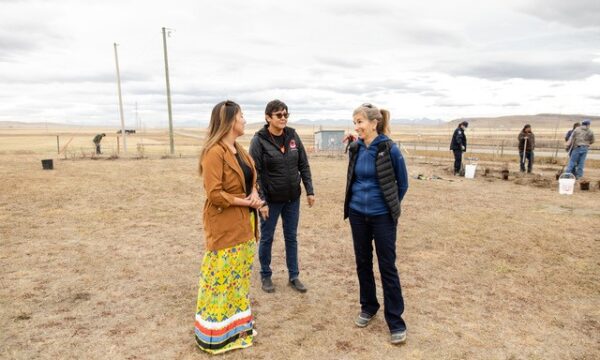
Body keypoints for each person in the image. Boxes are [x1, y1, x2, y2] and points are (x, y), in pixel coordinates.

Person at [195, 100, 264, 354]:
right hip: (224, 226)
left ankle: (238, 329)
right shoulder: (214, 152)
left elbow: (250, 179)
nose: (245, 120)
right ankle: (216, 336)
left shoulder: (239, 149)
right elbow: (215, 194)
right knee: (220, 280)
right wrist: (245, 201)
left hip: (245, 225)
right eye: (242, 116)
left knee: (239, 280)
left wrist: (254, 196)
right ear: (229, 121)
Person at [343, 103, 409, 345]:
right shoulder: (355, 148)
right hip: (358, 214)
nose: (357, 127)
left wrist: (389, 206)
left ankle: (395, 321)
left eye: (359, 122)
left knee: (387, 267)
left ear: (374, 123)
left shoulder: (390, 149)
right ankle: (368, 306)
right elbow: (353, 178)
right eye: (354, 123)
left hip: (383, 217)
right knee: (362, 262)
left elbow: (402, 184)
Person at [249, 99, 315, 294]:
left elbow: (303, 164)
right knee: (267, 238)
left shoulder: (292, 136)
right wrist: (261, 201)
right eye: (279, 115)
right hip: (270, 200)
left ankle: (294, 276)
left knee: (291, 237)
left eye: (286, 114)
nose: (283, 118)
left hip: (292, 198)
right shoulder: (259, 140)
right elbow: (255, 173)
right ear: (268, 117)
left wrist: (309, 190)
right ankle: (265, 275)